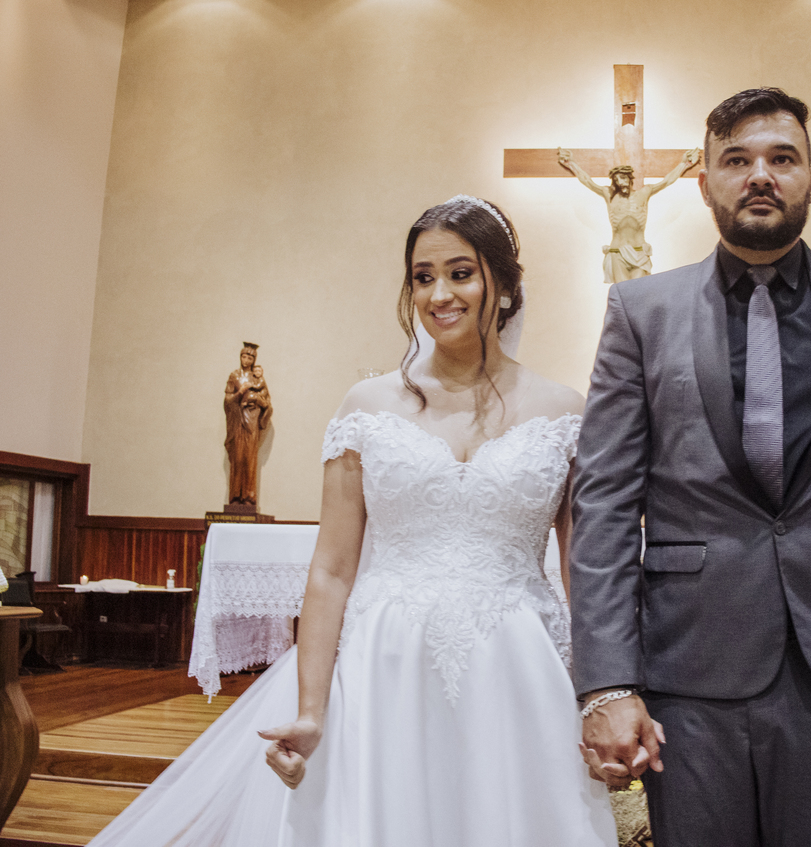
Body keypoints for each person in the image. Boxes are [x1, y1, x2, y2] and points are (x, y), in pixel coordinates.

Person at [90, 196, 617, 847]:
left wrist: (599, 695)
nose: (438, 294)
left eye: (461, 273)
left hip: (519, 666)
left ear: (506, 285)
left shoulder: (563, 411)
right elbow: (332, 570)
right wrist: (311, 709)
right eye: (422, 277)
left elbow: (584, 571)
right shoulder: (367, 406)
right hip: (384, 662)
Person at [569, 88, 811, 847]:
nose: (760, 175)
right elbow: (605, 502)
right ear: (703, 183)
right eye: (736, 160)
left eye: (782, 158)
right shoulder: (641, 312)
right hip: (693, 670)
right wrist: (608, 682)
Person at [557, 146, 701, 282]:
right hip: (617, 251)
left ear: (630, 178)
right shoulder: (609, 194)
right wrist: (571, 163)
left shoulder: (644, 193)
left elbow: (667, 181)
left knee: (638, 291)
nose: (621, 182)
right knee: (622, 290)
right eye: (617, 180)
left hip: (639, 251)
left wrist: (685, 164)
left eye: (623, 178)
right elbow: (588, 181)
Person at [223, 342, 273, 506]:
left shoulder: (257, 378)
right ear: (240, 357)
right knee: (238, 457)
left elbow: (267, 402)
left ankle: (249, 497)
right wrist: (240, 392)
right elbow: (228, 400)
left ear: (254, 360)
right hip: (238, 420)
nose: (246, 360)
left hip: (252, 420)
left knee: (249, 457)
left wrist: (258, 401)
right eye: (244, 356)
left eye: (250, 358)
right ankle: (235, 496)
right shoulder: (234, 376)